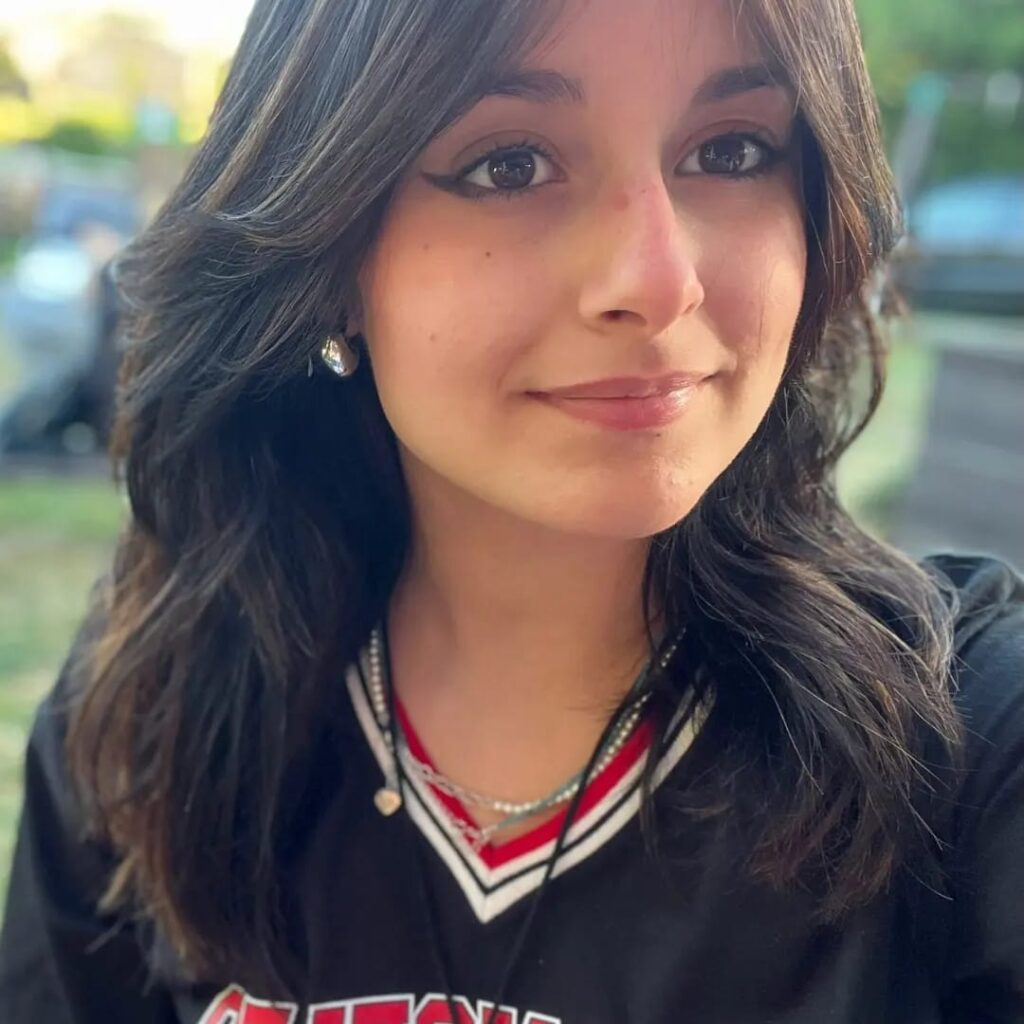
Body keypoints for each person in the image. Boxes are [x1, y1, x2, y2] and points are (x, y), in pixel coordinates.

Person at [1, 0, 1022, 1020]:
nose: (658, 280)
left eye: (731, 151)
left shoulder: (970, 750)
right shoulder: (153, 717)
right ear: (330, 251)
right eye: (510, 165)